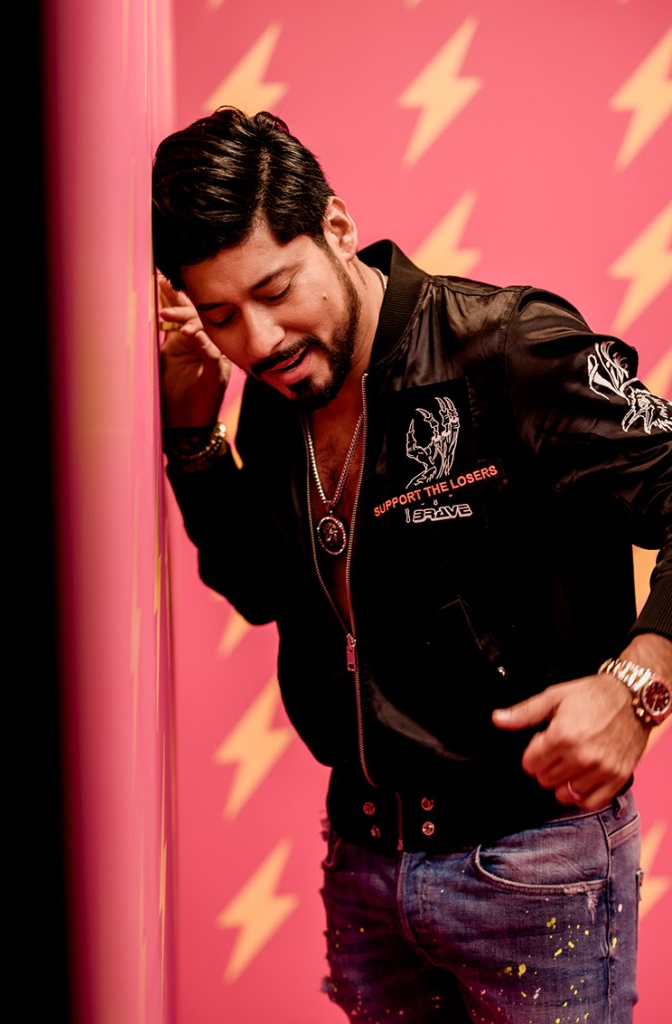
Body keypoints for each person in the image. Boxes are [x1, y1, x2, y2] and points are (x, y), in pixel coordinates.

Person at [152, 106, 672, 1023]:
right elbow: (261, 587)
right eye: (222, 315)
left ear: (336, 227)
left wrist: (641, 679)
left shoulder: (506, 346)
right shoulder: (276, 396)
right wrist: (195, 437)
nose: (260, 341)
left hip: (531, 863)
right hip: (361, 865)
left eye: (276, 290)